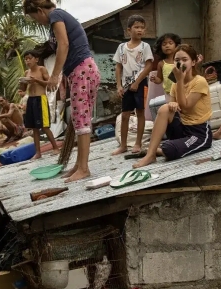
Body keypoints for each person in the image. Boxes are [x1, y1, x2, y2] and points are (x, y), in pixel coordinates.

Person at [24, 0, 101, 183]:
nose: (38, 22)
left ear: (41, 11)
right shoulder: (57, 19)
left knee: (81, 120)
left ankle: (84, 168)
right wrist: (65, 76)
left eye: (35, 18)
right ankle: (78, 165)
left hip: (83, 69)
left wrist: (55, 75)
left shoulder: (56, 16)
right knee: (77, 119)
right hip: (78, 71)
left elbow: (64, 45)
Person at [133, 44, 213, 169]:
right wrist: (172, 102)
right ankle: (151, 154)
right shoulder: (175, 84)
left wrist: (179, 80)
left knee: (168, 149)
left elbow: (185, 107)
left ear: (193, 62)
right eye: (177, 60)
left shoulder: (199, 81)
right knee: (164, 109)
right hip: (181, 127)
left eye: (184, 60)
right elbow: (174, 104)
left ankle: (160, 149)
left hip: (198, 133)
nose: (180, 63)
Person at [111, 15, 154, 156]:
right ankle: (123, 145)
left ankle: (138, 143)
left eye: (142, 27)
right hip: (126, 85)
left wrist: (137, 82)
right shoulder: (121, 47)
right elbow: (118, 67)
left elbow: (148, 66)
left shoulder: (145, 47)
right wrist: (119, 85)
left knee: (140, 112)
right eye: (136, 27)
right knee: (125, 115)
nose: (139, 30)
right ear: (129, 30)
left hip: (140, 84)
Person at [23, 50, 60, 159]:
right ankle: (38, 152)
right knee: (34, 128)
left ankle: (55, 147)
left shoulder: (41, 69)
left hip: (41, 99)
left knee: (44, 126)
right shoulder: (26, 73)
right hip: (31, 99)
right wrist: (22, 84)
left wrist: (36, 80)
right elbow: (23, 89)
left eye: (30, 58)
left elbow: (48, 84)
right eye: (26, 59)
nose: (28, 61)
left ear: (36, 59)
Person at [149, 33, 181, 99]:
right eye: (164, 44)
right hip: (168, 93)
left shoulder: (181, 61)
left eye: (170, 43)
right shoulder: (161, 63)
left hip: (182, 90)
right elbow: (160, 79)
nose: (167, 46)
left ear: (176, 45)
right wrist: (155, 79)